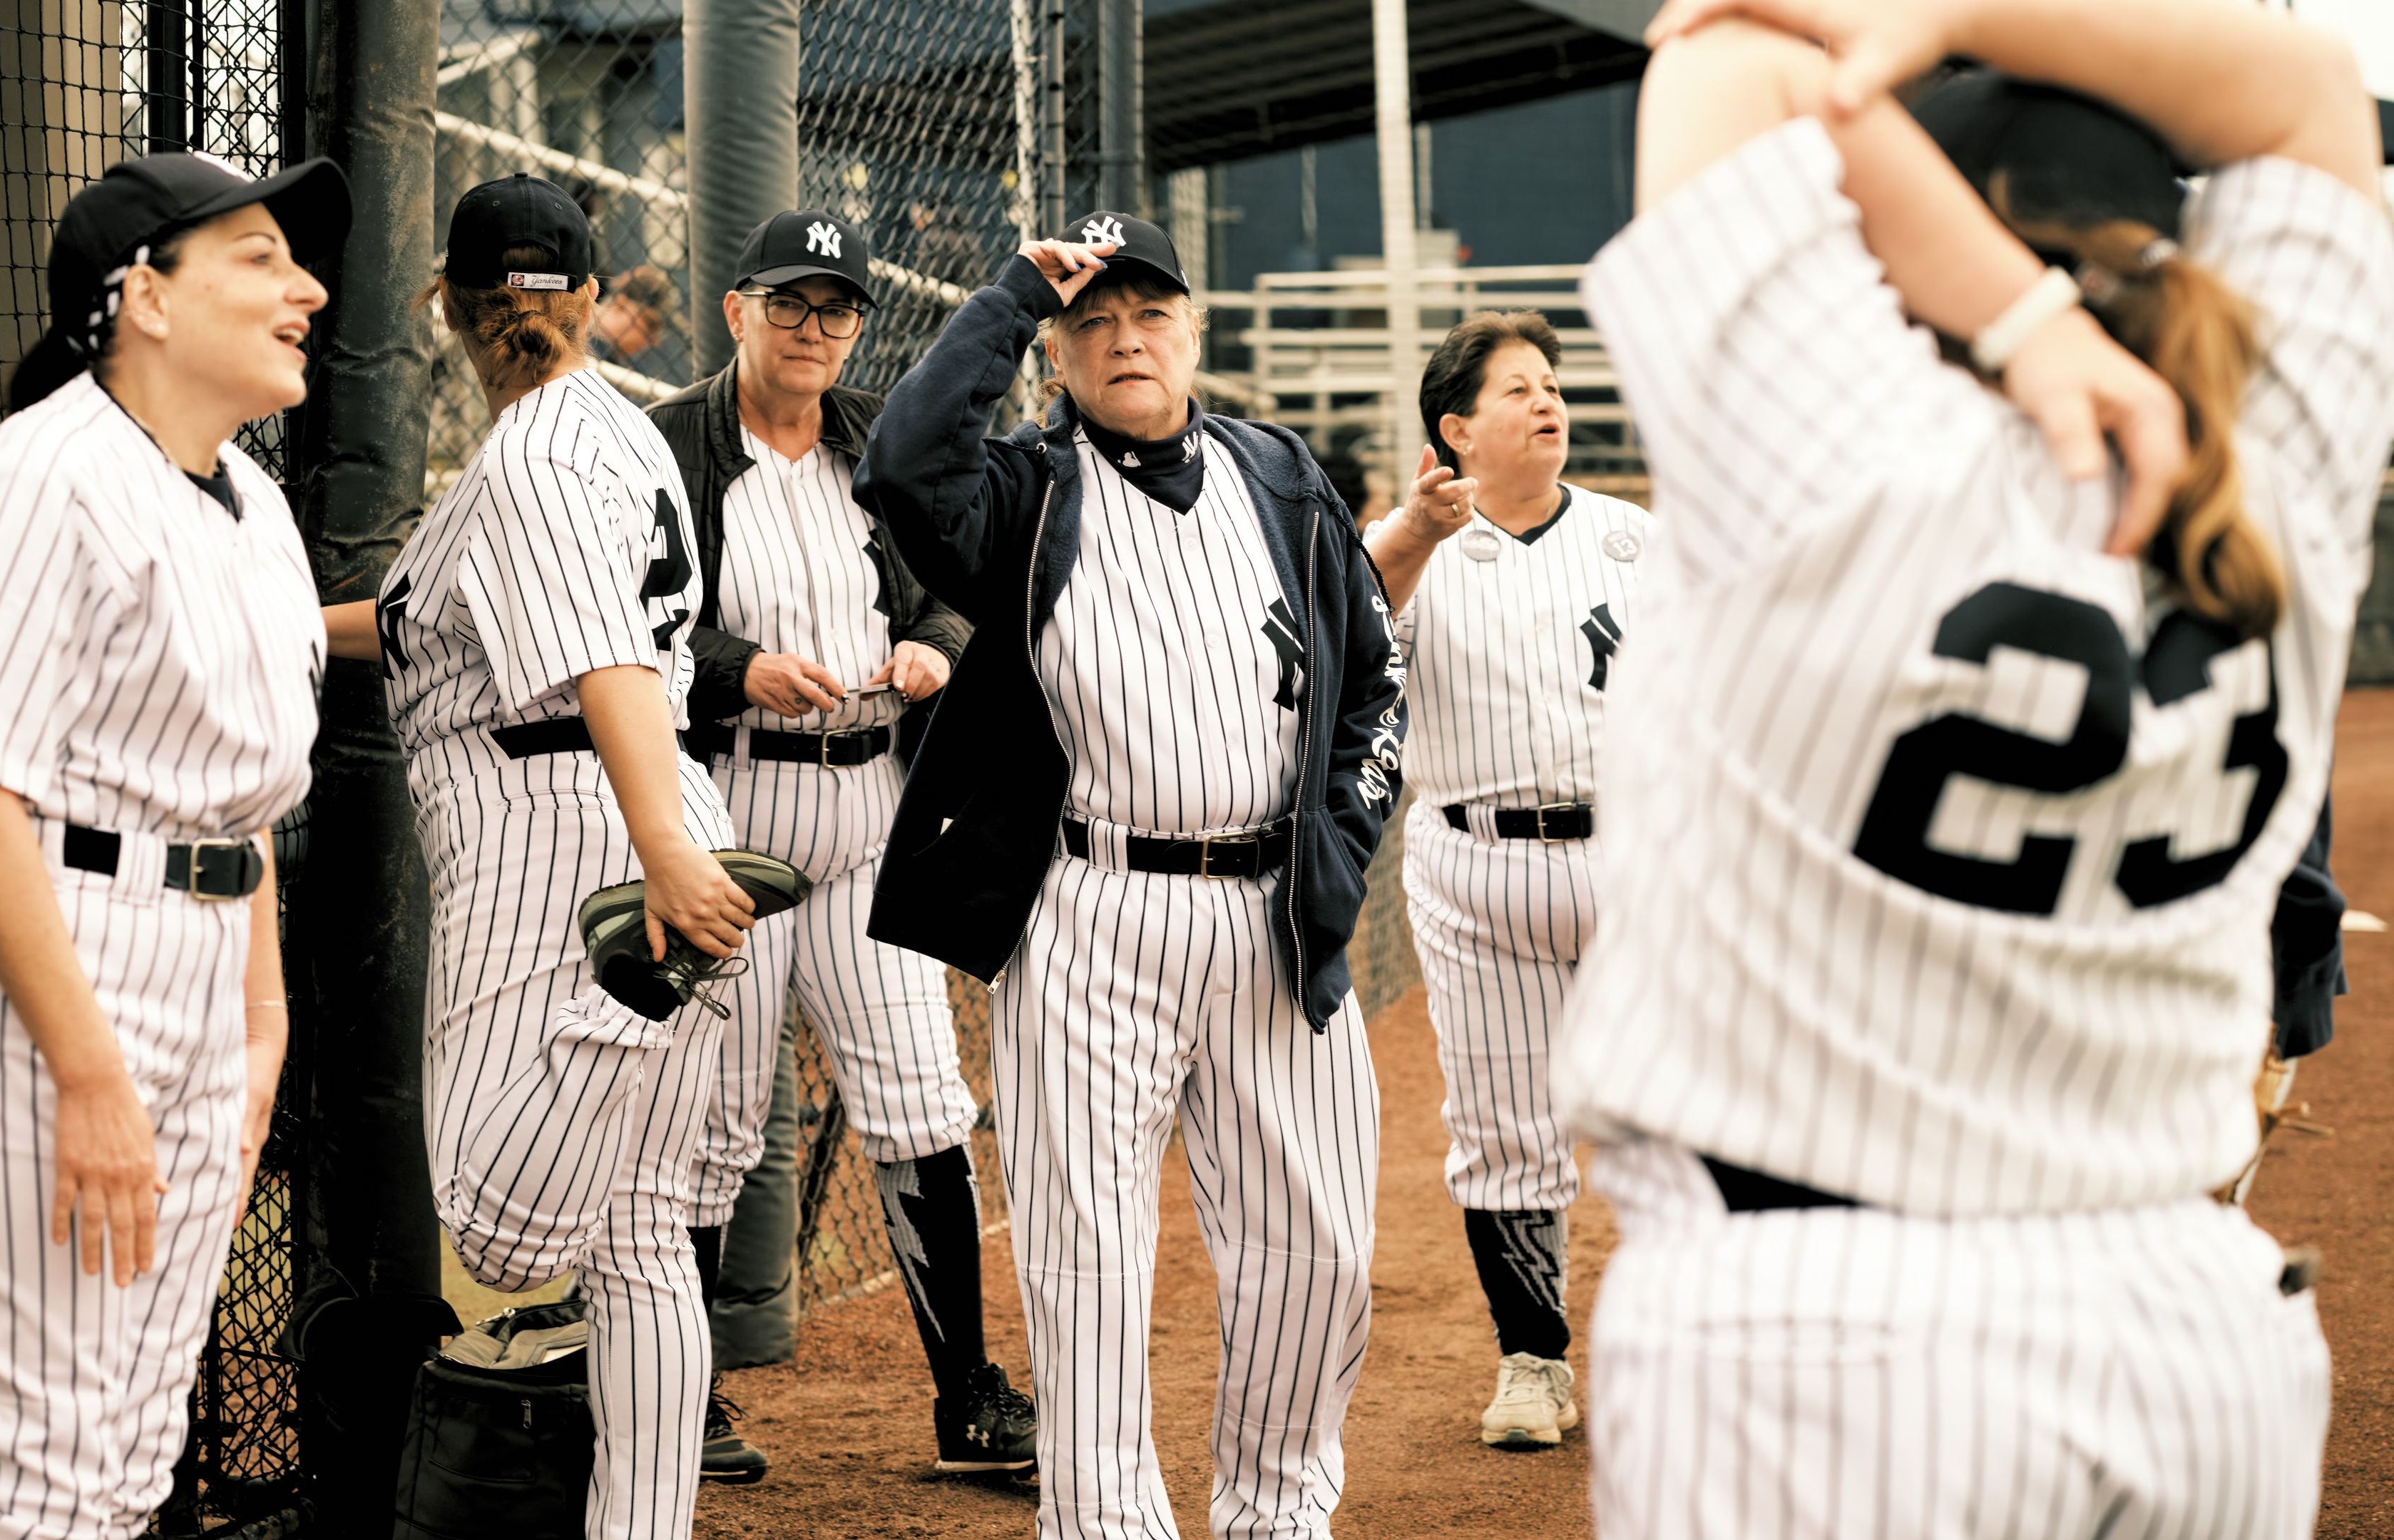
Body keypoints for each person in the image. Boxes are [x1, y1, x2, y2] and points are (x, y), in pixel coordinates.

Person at [1556, 1, 2391, 1534]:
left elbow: (1722, 45)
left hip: (1823, 1338)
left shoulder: (1830, 451)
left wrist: (2016, 320)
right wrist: (1956, 11)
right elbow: (2313, 94)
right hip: (2197, 1329)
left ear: (1900, 265)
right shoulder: (2278, 462)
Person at [855, 210, 1406, 1539]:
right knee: (1085, 1258)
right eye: (1092, 322)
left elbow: (1371, 682)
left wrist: (1339, 837)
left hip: (1276, 913)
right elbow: (903, 466)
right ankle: (1103, 1524)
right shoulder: (1028, 492)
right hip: (1093, 914)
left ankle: (1278, 1513)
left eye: (1148, 313)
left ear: (1193, 329)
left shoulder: (1281, 478)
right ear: (1057, 354)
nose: (1125, 338)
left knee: (1318, 1250)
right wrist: (1007, 295)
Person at [0, 150, 349, 1540]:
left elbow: (239, 803)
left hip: (208, 956)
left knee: (138, 1437)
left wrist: (261, 1022)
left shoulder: (253, 503)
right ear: (142, 295)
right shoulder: (43, 477)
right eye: (260, 257)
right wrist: (87, 1072)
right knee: (45, 1448)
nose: (308, 289)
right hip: (59, 962)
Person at [322, 172, 779, 1540]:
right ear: (591, 302)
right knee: (636, 1241)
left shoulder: (528, 463)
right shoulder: (615, 433)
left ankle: (626, 995)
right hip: (652, 819)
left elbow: (597, 669)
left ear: (443, 306)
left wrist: (656, 876)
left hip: (573, 850)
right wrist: (274, 619)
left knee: (499, 1218)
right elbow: (425, 625)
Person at [643, 207, 1031, 1484]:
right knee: (703, 1128)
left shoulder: (872, 440)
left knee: (921, 1103)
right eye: (790, 302)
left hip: (868, 821)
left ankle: (969, 1397)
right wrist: (736, 667)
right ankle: (680, 1400)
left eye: (837, 309)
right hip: (728, 828)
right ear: (735, 309)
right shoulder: (667, 448)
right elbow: (617, 625)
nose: (814, 328)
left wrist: (938, 643)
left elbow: (954, 581)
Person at [1360, 309, 1654, 1449]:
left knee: (1678, 1113)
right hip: (1478, 870)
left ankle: (1690, 1340)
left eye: (1552, 385)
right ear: (1457, 428)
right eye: (1517, 388)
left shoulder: (1638, 540)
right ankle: (1534, 1359)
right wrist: (1412, 535)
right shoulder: (1412, 548)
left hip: (1637, 859)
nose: (1548, 402)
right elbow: (1345, 636)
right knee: (1503, 1126)